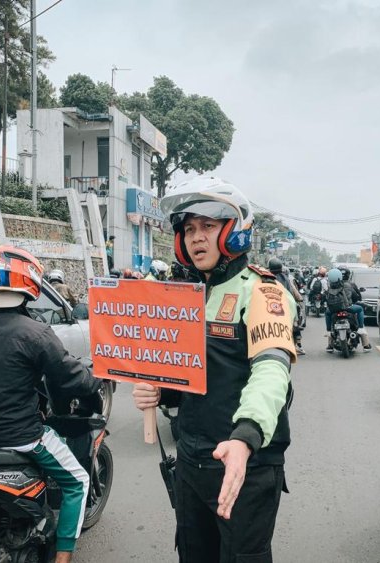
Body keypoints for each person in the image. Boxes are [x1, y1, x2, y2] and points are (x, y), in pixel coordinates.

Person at [133, 176, 296, 563]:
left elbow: (272, 369)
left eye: (208, 225)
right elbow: (190, 373)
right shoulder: (186, 295)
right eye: (189, 229)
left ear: (234, 230)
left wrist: (244, 438)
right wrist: (161, 392)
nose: (196, 237)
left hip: (245, 463)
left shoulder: (262, 292)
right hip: (191, 461)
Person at [0, 245, 102, 563]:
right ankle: (63, 556)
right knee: (78, 481)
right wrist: (94, 382)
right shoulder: (36, 332)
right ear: (30, 281)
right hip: (22, 436)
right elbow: (69, 377)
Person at [269, 257, 306, 355]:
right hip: (287, 304)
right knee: (295, 323)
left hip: (271, 305)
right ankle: (298, 345)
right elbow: (294, 292)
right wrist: (300, 299)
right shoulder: (286, 278)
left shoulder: (266, 278)